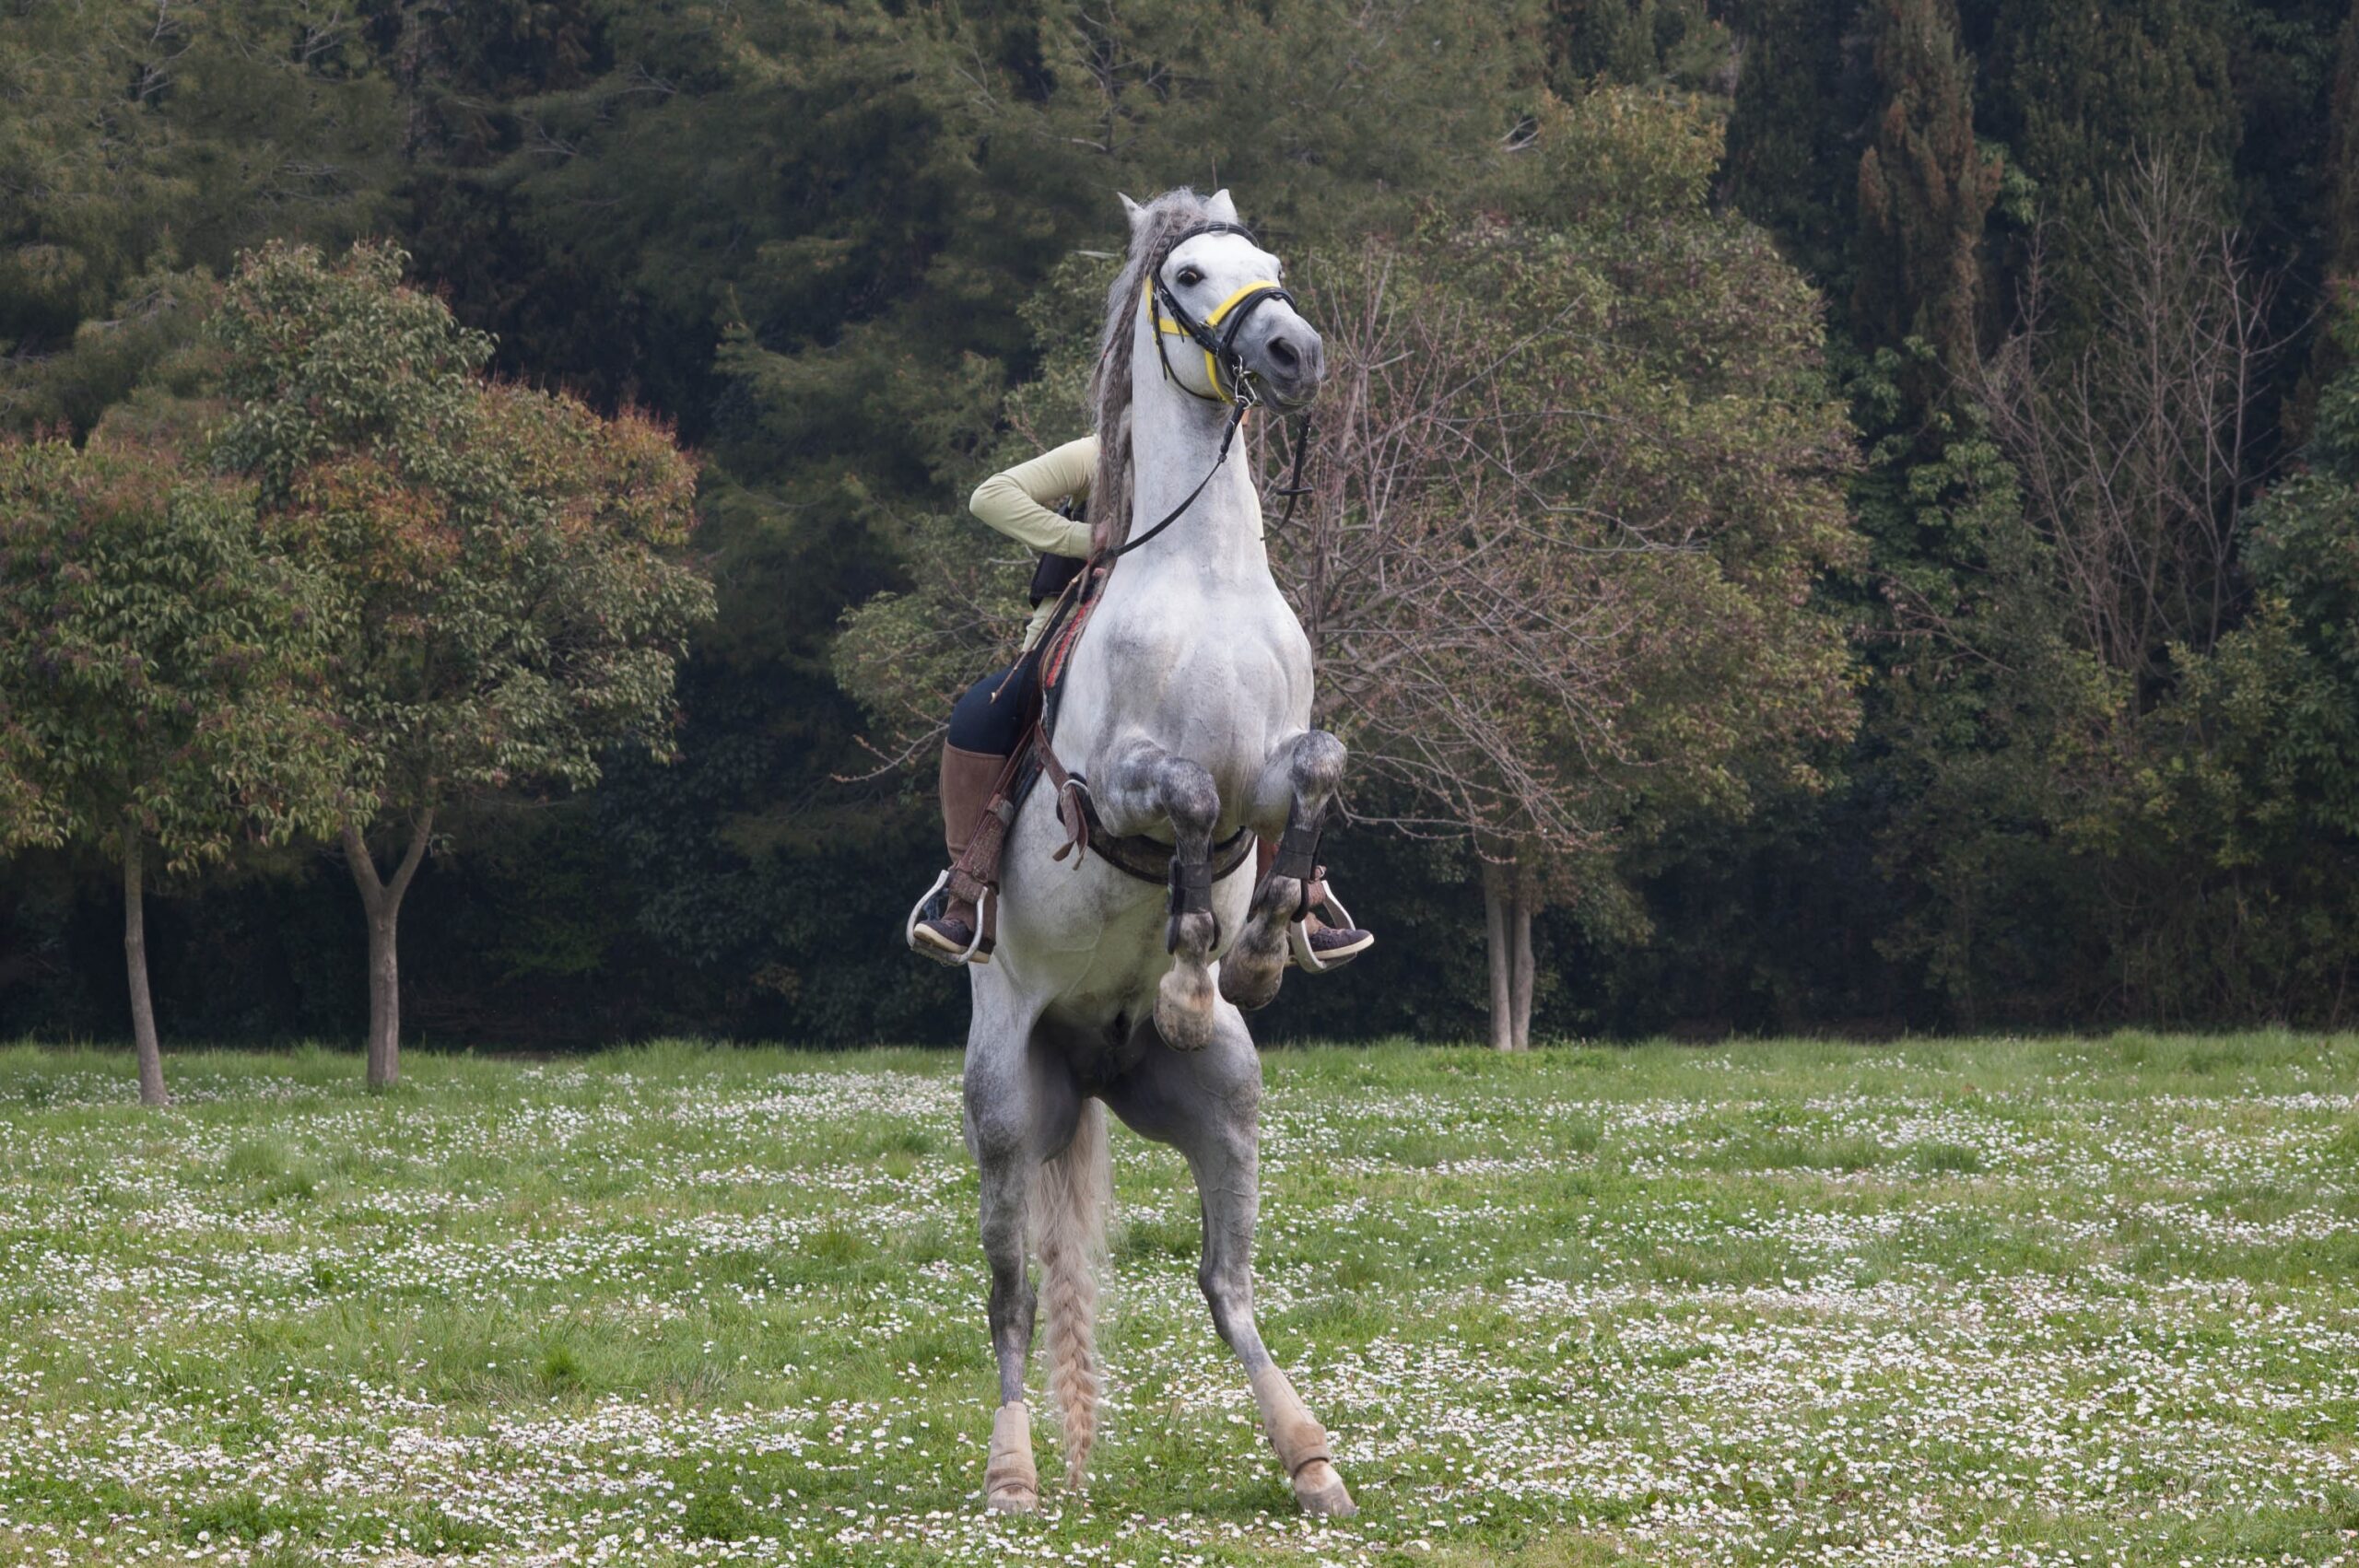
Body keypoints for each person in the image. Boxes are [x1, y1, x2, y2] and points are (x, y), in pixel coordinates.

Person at [909, 434, 1375, 970]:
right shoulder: (1102, 453)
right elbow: (992, 494)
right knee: (981, 711)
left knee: (1273, 735)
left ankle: (1296, 907)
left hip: (1197, 646)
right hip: (1081, 630)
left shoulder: (1227, 470)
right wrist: (1082, 537)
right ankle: (969, 895)